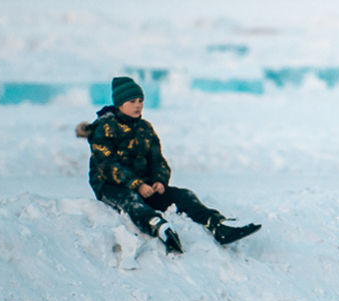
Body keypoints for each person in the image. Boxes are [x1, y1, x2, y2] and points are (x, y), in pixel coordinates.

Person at [76, 76, 260, 253]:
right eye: (132, 101)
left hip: (146, 185)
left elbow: (158, 160)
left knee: (184, 195)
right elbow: (107, 167)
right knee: (130, 200)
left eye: (141, 100)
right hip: (111, 186)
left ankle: (217, 225)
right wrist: (137, 184)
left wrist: (159, 180)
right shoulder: (104, 128)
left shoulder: (145, 128)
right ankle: (159, 227)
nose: (138, 105)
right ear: (120, 104)